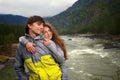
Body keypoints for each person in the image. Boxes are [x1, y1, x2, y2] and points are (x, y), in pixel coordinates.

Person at [14, 15, 63, 80]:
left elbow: (61, 61)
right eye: (39, 24)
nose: (42, 27)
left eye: (42, 25)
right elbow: (18, 68)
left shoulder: (47, 42)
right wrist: (25, 78)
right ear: (29, 26)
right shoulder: (21, 47)